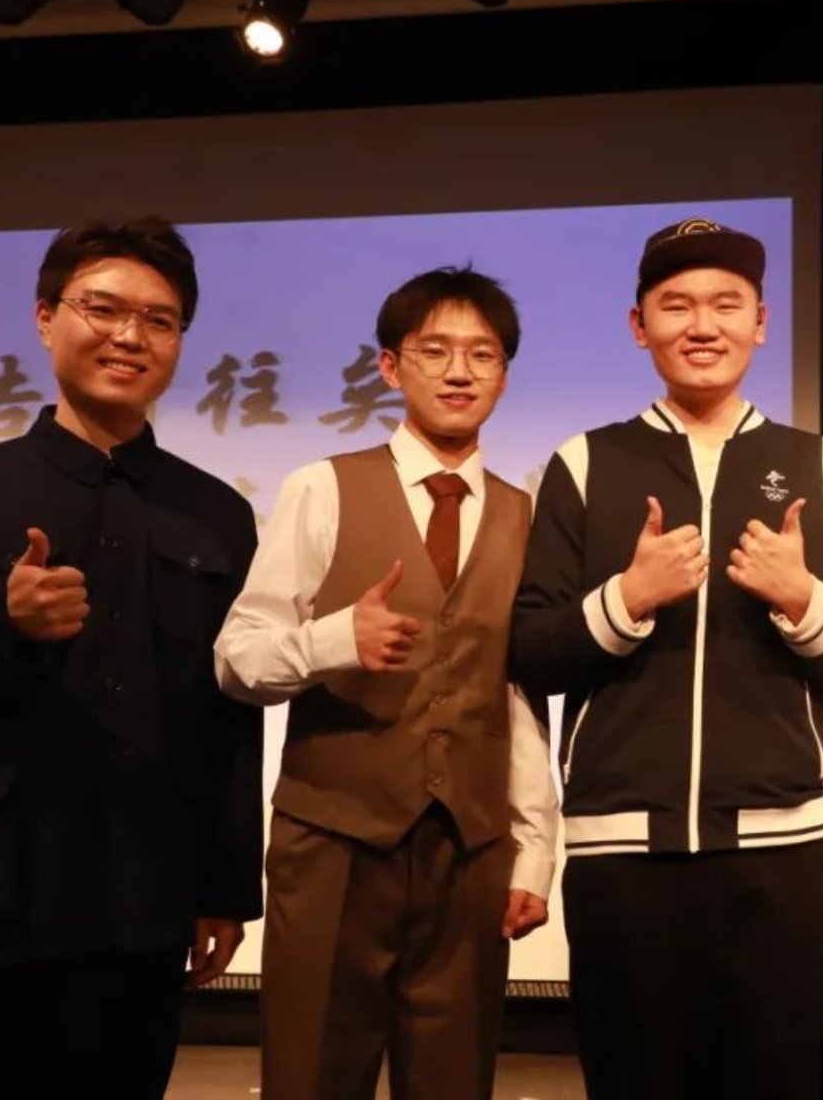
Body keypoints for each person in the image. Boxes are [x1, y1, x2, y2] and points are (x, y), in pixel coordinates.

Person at [0, 218, 264, 1099]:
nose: (130, 336)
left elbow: (228, 714)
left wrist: (226, 887)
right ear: (46, 317)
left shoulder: (216, 515)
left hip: (137, 905)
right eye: (102, 308)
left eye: (159, 320)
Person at [511, 217, 823, 1100]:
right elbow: (532, 649)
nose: (703, 325)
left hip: (788, 853)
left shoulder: (818, 464)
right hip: (621, 856)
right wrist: (627, 598)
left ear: (762, 321)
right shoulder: (584, 462)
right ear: (639, 325)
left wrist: (800, 596)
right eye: (676, 305)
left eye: (726, 304)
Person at [213, 266, 559, 1100]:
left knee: (455, 1079)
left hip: (469, 848)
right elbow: (236, 657)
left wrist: (534, 848)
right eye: (434, 350)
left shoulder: (526, 514)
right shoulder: (321, 487)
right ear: (390, 366)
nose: (459, 371)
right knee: (312, 1073)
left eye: (482, 354)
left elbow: (518, 695)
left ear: (504, 374)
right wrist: (335, 639)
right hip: (333, 839)